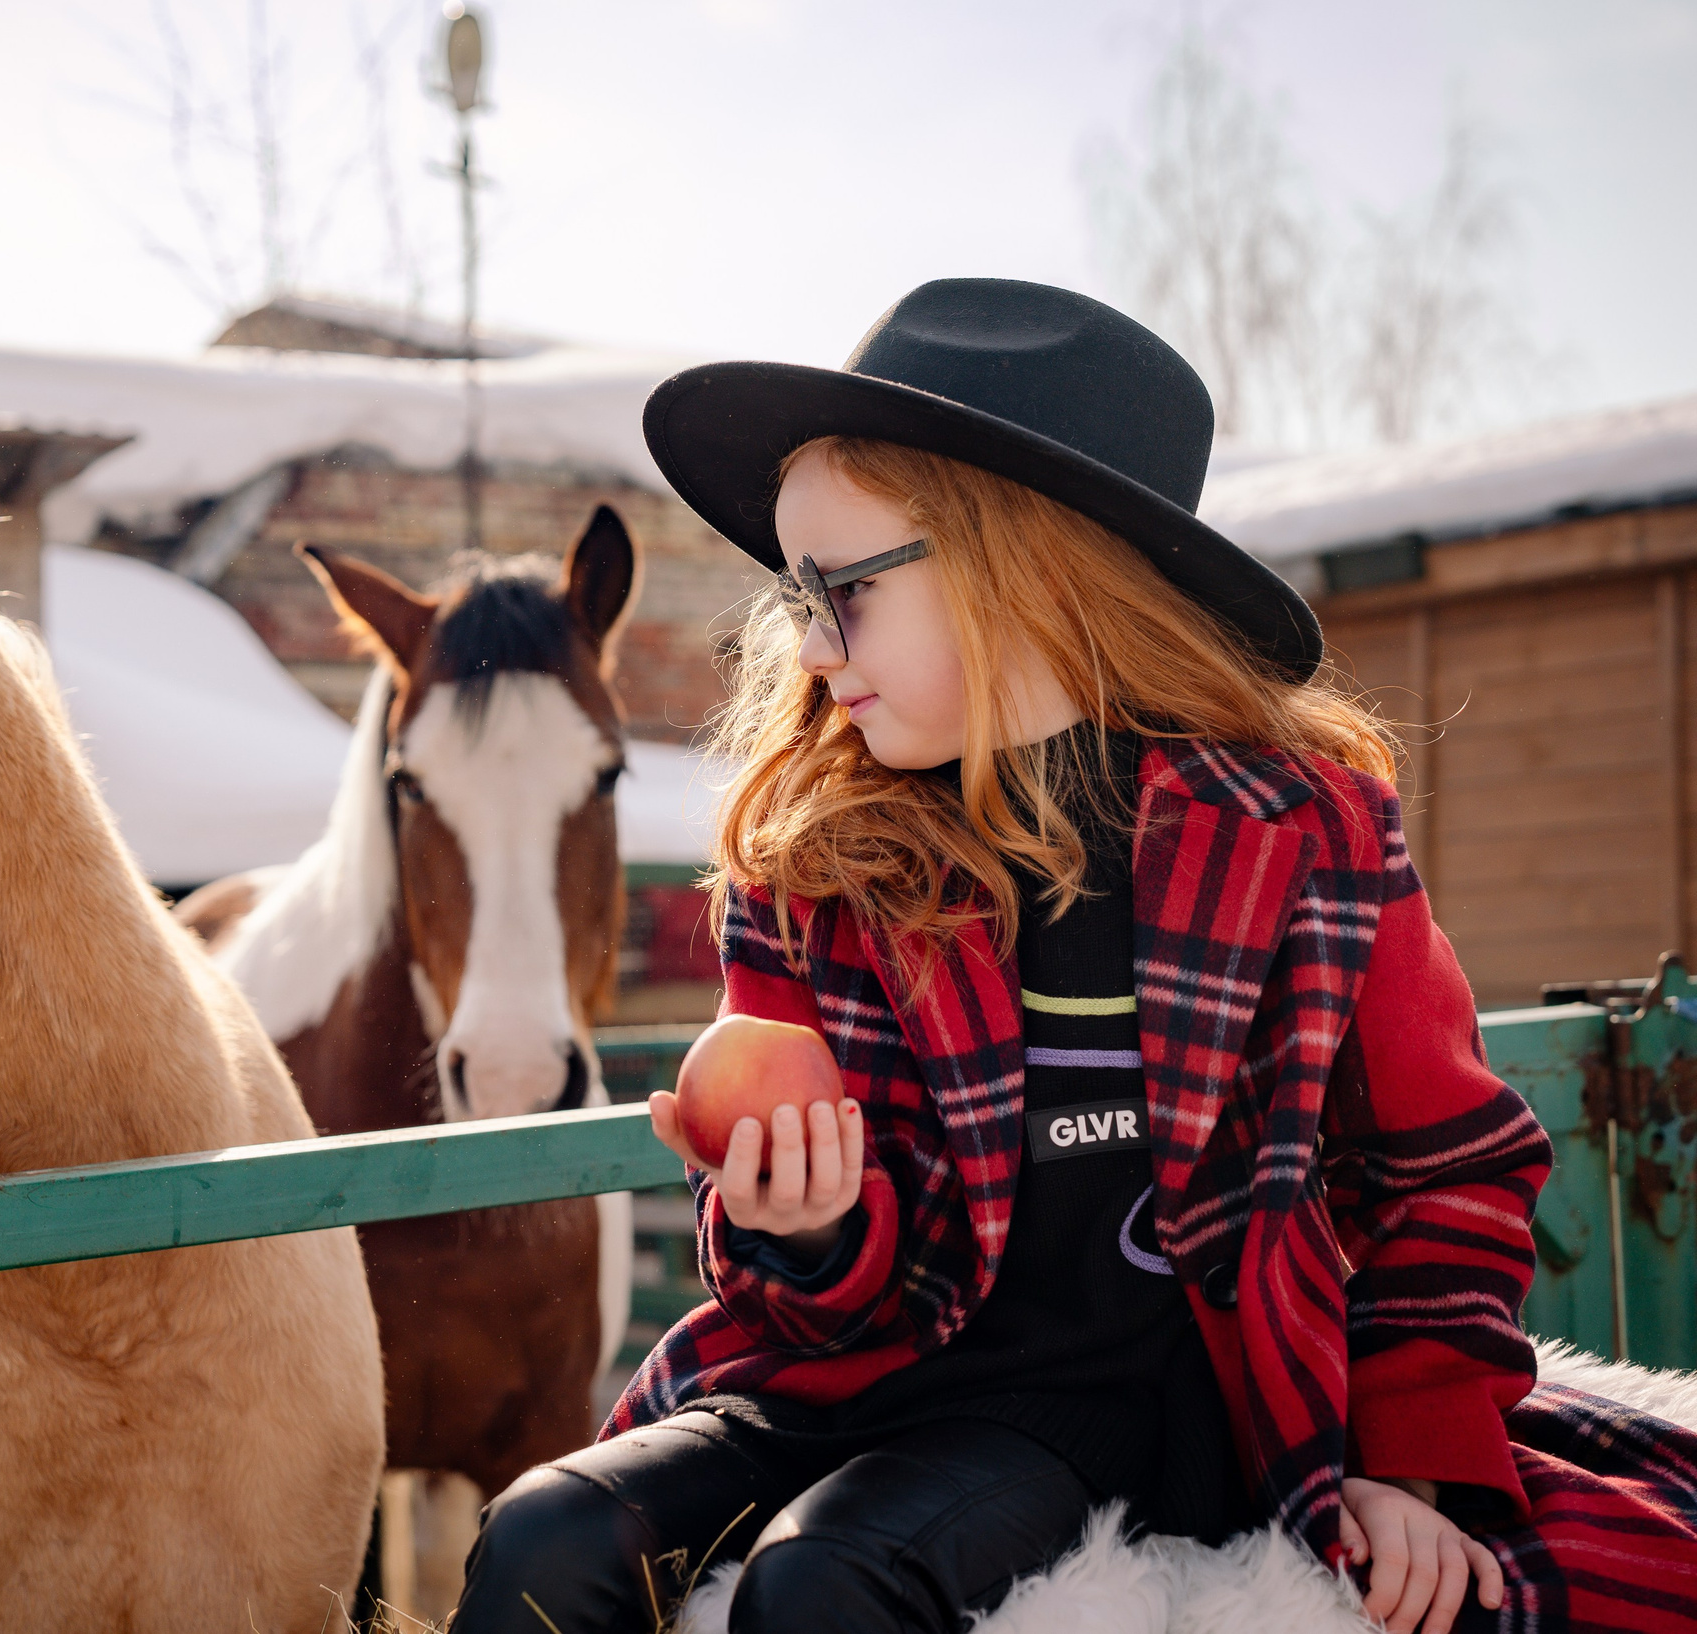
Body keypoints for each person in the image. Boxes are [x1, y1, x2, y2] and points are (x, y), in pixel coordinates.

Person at [454, 279, 1697, 1634]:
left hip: (1127, 1399)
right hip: (860, 1367)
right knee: (544, 1533)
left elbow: (1450, 1168)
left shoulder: (1302, 840)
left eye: (846, 591)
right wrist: (802, 1225)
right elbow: (802, 1292)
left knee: (828, 1576)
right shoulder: (817, 862)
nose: (810, 646)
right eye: (795, 596)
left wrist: (1408, 1457)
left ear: (1026, 573)